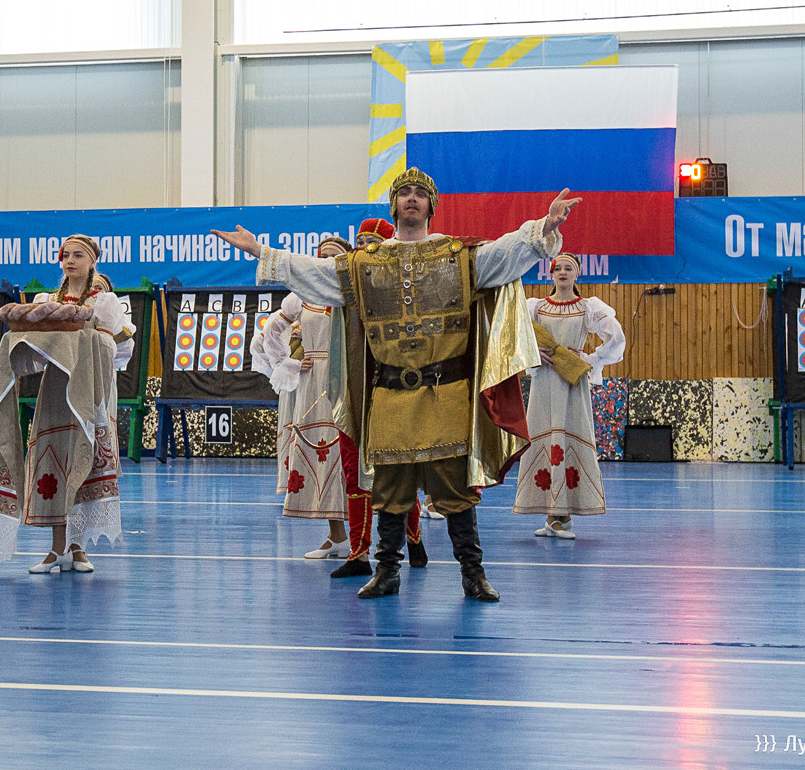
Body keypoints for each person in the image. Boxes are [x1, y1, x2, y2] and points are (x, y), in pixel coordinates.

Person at [214, 169, 578, 601]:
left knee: (457, 490)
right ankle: (387, 571)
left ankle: (472, 572)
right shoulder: (366, 264)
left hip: (446, 394)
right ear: (394, 205)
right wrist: (260, 251)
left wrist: (544, 227)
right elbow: (315, 273)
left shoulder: (457, 257)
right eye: (404, 192)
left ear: (430, 205)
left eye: (420, 193)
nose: (412, 198)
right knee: (389, 490)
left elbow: (505, 253)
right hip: (389, 396)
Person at [0, 234, 133, 574]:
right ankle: (57, 549)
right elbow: (35, 356)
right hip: (57, 390)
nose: (70, 260)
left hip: (90, 389)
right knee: (53, 460)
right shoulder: (46, 302)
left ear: (92, 261)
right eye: (65, 255)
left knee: (83, 458)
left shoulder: (105, 302)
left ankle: (78, 548)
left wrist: (86, 338)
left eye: (78, 255)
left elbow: (115, 348)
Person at [325, 218, 429, 580]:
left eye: (371, 243)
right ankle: (359, 553)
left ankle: (413, 537)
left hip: (391, 390)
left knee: (398, 469)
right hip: (353, 392)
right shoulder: (344, 287)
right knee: (353, 472)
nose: (363, 249)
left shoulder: (402, 291)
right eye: (359, 242)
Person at [250, 237, 352, 561]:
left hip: (347, 377)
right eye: (322, 256)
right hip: (314, 379)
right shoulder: (303, 295)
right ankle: (338, 536)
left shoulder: (353, 291)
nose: (326, 262)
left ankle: (365, 537)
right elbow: (270, 330)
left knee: (348, 455)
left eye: (333, 257)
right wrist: (288, 362)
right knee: (322, 453)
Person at [513, 252, 625, 538]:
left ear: (577, 275)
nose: (562, 272)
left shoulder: (588, 308)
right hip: (544, 384)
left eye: (568, 268)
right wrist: (532, 353)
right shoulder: (536, 308)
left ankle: (562, 515)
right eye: (558, 268)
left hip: (572, 384)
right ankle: (553, 516)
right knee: (546, 438)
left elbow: (616, 338)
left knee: (569, 437)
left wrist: (590, 359)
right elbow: (513, 337)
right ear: (550, 274)